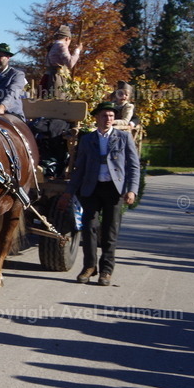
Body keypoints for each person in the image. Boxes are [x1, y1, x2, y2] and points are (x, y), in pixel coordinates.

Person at [58, 101, 140, 286]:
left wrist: (131, 190)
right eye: (104, 115)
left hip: (114, 189)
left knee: (110, 232)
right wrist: (68, 192)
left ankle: (106, 271)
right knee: (89, 229)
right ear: (96, 118)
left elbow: (134, 166)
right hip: (91, 189)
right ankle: (89, 267)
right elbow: (79, 169)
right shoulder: (88, 139)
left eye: (111, 116)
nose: (108, 119)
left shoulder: (123, 137)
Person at [42, 25, 81, 99]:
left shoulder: (53, 46)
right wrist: (77, 50)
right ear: (67, 38)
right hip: (57, 78)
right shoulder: (62, 46)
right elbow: (70, 63)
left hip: (49, 77)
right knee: (58, 101)